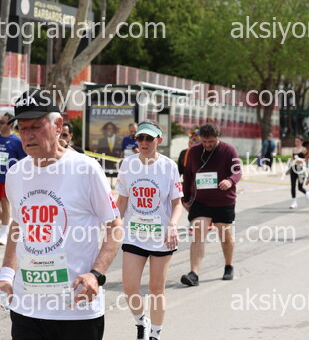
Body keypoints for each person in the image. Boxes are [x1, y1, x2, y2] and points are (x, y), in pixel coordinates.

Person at [0, 89, 123, 340]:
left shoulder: (85, 169)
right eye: (22, 128)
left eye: (36, 126)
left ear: (58, 126)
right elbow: (18, 225)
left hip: (76, 309)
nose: (28, 135)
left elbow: (115, 226)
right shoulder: (15, 174)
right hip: (26, 307)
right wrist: (6, 274)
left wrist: (96, 275)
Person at [116, 121, 183, 340]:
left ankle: (155, 333)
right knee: (129, 287)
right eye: (140, 138)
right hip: (134, 234)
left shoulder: (168, 166)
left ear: (158, 140)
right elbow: (122, 200)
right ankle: (141, 321)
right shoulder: (128, 164)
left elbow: (177, 203)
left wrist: (172, 225)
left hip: (161, 236)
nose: (143, 142)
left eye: (149, 138)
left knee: (156, 289)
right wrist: (113, 225)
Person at [181, 123, 241, 286]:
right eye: (204, 141)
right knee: (198, 232)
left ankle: (228, 266)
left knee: (225, 235)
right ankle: (194, 273)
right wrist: (185, 198)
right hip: (201, 201)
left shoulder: (228, 150)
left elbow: (237, 171)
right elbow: (188, 175)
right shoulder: (194, 152)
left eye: (211, 142)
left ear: (217, 137)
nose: (207, 145)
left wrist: (230, 181)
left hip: (223, 201)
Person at [0, 113, 27, 245]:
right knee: (4, 210)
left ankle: (3, 234)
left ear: (10, 125)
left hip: (7, 179)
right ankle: (7, 222)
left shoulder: (17, 141)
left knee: (5, 204)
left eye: (2, 122)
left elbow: (25, 160)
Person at [289, 137, 309, 209]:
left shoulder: (304, 150)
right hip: (293, 168)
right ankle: (294, 202)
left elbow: (307, 159)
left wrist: (301, 160)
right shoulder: (294, 149)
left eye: (298, 141)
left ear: (301, 142)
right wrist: (291, 162)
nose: (296, 143)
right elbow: (292, 158)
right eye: (295, 141)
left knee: (300, 187)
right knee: (293, 185)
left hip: (301, 169)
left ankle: (307, 193)